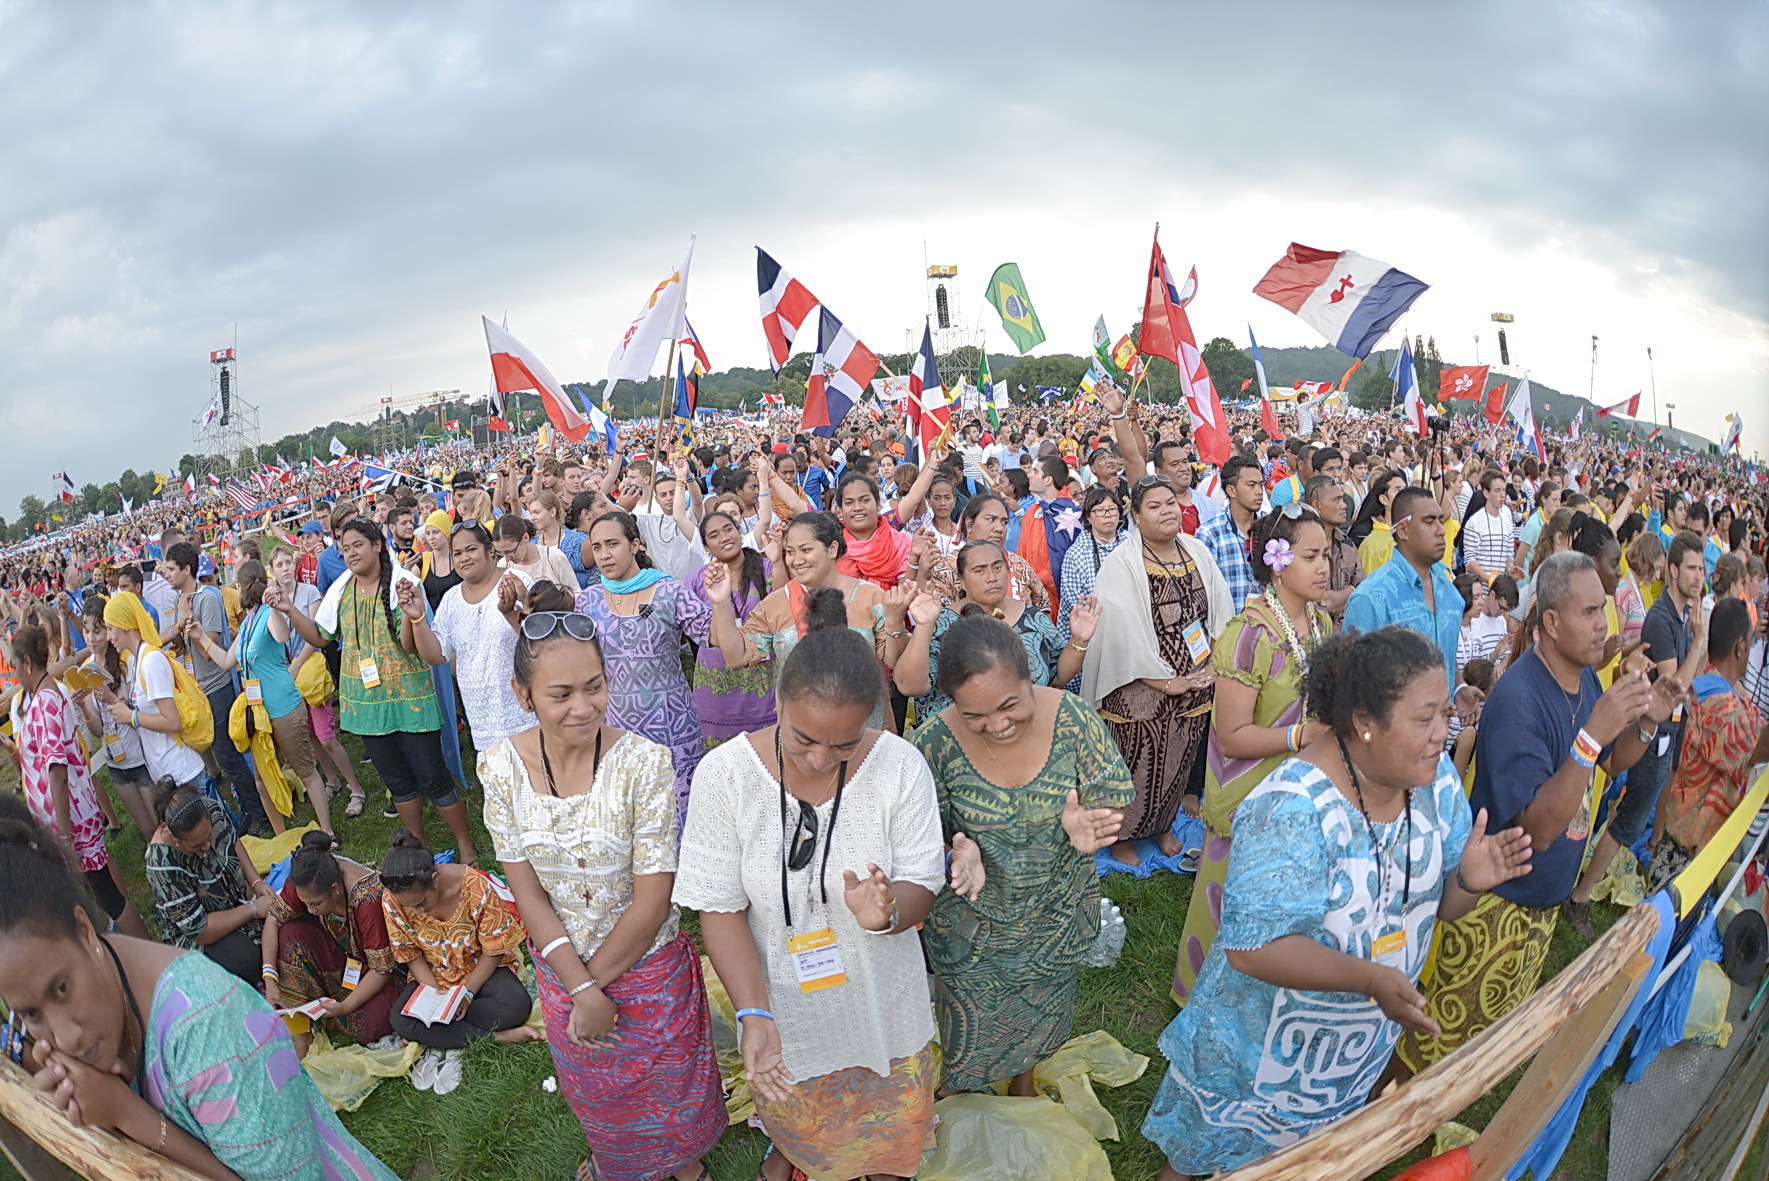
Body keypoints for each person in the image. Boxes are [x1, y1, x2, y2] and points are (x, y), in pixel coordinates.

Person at [1142, 626, 1531, 1178]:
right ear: (1364, 723)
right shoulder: (1291, 807)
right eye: (1424, 719)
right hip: (1254, 1055)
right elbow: (1254, 949)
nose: (1442, 734)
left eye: (1445, 714)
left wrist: (1467, 881)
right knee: (1202, 1161)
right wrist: (1371, 979)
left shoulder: (1435, 779)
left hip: (1346, 1054)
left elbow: (1440, 907)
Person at [674, 605, 954, 1181]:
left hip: (884, 998)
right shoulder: (725, 777)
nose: (821, 759)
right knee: (801, 1114)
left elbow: (922, 884)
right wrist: (753, 1013)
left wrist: (888, 913)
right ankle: (794, 1153)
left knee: (888, 1134)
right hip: (779, 999)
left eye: (844, 745)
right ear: (778, 702)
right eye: (804, 739)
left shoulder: (900, 767)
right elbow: (720, 910)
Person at [0, 794, 397, 1180]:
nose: (66, 1040)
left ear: (86, 931)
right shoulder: (159, 867)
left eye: (61, 989)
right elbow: (210, 927)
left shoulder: (211, 1028)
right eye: (30, 1014)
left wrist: (127, 1116)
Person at [1396, 552, 1677, 1073]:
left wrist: (1645, 722)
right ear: (1550, 621)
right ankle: (1382, 1113)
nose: (1603, 625)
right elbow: (1541, 829)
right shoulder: (1519, 701)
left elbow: (1608, 763)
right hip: (1495, 908)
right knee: (1430, 1048)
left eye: (1602, 610)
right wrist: (1592, 733)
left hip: (1540, 906)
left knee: (1480, 1053)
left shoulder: (1584, 681)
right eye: (1589, 612)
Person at [481, 609, 725, 1181]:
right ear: (523, 696)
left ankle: (685, 1166)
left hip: (647, 968)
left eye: (594, 687)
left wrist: (590, 989)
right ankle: (618, 1158)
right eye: (561, 694)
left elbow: (654, 900)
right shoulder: (499, 769)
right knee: (599, 1092)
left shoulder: (644, 764)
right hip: (563, 968)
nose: (584, 707)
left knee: (669, 1093)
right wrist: (580, 989)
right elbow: (528, 895)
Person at [909, 613, 1129, 1094]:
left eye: (1010, 704)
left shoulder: (1074, 720)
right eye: (975, 715)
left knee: (1043, 1002)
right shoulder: (932, 745)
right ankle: (960, 1087)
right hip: (971, 923)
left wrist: (1089, 824)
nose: (998, 724)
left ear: (1031, 675)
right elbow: (911, 837)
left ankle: (1023, 1080)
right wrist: (955, 851)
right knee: (969, 1015)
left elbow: (1110, 799)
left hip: (1055, 909)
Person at [1173, 503, 1334, 1006]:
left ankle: (1268, 999)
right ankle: (1204, 1004)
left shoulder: (1322, 623)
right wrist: (1300, 737)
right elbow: (1232, 736)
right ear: (1277, 562)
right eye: (1311, 556)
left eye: (1326, 554)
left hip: (1301, 791)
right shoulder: (1249, 634)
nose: (1324, 567)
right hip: (1249, 798)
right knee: (1231, 903)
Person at [277, 518, 480, 865]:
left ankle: (466, 846)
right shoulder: (341, 591)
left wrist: (410, 613)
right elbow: (321, 638)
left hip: (409, 702)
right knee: (399, 784)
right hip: (367, 708)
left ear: (376, 546)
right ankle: (418, 851)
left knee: (434, 779)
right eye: (345, 548)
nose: (350, 553)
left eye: (358, 545)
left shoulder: (403, 584)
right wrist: (290, 610)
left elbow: (411, 647)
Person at [1082, 475, 1232, 866]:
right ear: (1135, 515)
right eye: (1154, 506)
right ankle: (1123, 836)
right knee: (1136, 763)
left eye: (1170, 503)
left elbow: (1219, 609)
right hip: (1139, 687)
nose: (1167, 511)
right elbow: (1120, 636)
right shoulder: (1121, 564)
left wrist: (1211, 664)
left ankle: (1162, 825)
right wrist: (1166, 682)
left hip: (1196, 679)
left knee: (1178, 758)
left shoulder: (1196, 550)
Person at [1563, 530, 1709, 933]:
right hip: (1650, 730)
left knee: (1630, 813)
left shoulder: (1684, 616)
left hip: (1664, 730)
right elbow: (1675, 688)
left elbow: (1692, 679)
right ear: (1673, 570)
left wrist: (1698, 642)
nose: (1699, 577)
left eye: (1702, 569)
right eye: (1692, 569)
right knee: (1630, 818)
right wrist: (1699, 641)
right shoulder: (1661, 620)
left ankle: (1582, 881)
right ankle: (1579, 897)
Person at [2, 624, 149, 937]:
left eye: (14, 665)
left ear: (27, 662)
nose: (14, 674)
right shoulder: (42, 695)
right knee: (102, 892)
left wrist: (65, 838)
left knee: (108, 896)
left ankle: (148, 948)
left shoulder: (45, 701)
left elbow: (57, 771)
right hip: (70, 818)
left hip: (72, 823)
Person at [704, 511, 912, 732]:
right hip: (802, 738)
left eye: (806, 550)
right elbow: (737, 657)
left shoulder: (870, 596)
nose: (796, 560)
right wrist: (721, 602)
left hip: (866, 731)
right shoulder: (776, 604)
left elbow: (893, 659)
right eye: (790, 552)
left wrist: (895, 622)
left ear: (832, 549)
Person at [571, 511, 712, 822]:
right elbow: (576, 665)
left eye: (612, 544)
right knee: (631, 821)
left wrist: (723, 601)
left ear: (635, 545)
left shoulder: (670, 592)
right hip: (617, 729)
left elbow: (713, 636)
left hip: (673, 729)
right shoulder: (588, 601)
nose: (604, 555)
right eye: (597, 547)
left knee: (678, 819)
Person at [381, 832, 540, 1094]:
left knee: (515, 1005)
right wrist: (437, 996)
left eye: (422, 902)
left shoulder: (474, 885)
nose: (418, 912)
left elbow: (493, 950)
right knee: (400, 1020)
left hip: (481, 969)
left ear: (435, 878)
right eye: (411, 907)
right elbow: (411, 953)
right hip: (433, 975)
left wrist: (466, 994)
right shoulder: (392, 898)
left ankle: (443, 1036)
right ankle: (497, 1037)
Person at [185, 559, 332, 835]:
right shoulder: (248, 622)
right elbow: (227, 661)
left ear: (242, 588)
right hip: (258, 713)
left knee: (305, 771)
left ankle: (328, 832)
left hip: (283, 707)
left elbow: (282, 635)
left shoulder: (266, 614)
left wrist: (276, 608)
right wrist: (200, 637)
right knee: (262, 780)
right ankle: (281, 837)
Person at [893, 541, 1094, 717]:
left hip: (1023, 731)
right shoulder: (940, 622)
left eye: (997, 567)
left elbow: (1059, 675)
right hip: (958, 737)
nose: (992, 577)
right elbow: (910, 686)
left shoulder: (1032, 617)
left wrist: (1079, 641)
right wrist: (924, 625)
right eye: (979, 571)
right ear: (962, 580)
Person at [1655, 597, 1769, 880]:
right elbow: (1758, 747)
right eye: (1750, 643)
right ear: (1740, 647)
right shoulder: (1718, 703)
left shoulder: (1725, 691)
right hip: (1685, 862)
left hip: (1695, 853)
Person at [260, 831, 401, 1057]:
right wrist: (270, 979)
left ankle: (325, 1007)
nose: (310, 910)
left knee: (375, 1023)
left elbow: (381, 970)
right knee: (289, 934)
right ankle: (302, 1030)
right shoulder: (305, 881)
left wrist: (346, 1007)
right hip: (343, 958)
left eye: (315, 904)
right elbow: (273, 920)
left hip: (375, 971)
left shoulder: (366, 899)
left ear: (335, 889)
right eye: (306, 903)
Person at [144, 780, 275, 984]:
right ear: (177, 839)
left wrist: (256, 881)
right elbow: (199, 930)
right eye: (196, 846)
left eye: (209, 836)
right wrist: (253, 909)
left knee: (279, 925)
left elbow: (233, 841)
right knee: (247, 961)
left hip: (237, 904)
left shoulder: (210, 809)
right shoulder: (161, 865)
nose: (207, 846)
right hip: (200, 936)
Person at [271, 544, 365, 816]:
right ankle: (332, 779)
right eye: (279, 565)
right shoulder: (273, 600)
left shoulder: (309, 592)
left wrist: (296, 665)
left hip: (311, 673)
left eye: (288, 562)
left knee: (326, 737)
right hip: (290, 678)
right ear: (272, 571)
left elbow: (315, 634)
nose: (286, 568)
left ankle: (355, 787)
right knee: (310, 735)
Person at [427, 521, 533, 751]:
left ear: (490, 550)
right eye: (457, 553)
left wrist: (517, 611)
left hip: (526, 713)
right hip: (481, 719)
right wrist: (415, 619)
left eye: (471, 549)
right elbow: (436, 655)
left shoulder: (517, 582)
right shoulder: (451, 600)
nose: (464, 558)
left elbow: (540, 640)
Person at [1344, 487, 1462, 690]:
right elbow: (1352, 682)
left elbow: (1446, 651)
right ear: (1403, 530)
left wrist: (1460, 688)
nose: (1441, 530)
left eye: (1440, 521)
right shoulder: (1371, 598)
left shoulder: (1448, 587)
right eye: (1429, 522)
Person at [684, 509, 778, 746]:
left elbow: (782, 606)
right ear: (705, 547)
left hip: (763, 682)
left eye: (728, 529)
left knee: (767, 753)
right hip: (716, 689)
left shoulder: (767, 567)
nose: (724, 537)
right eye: (714, 535)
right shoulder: (697, 580)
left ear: (739, 532)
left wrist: (779, 563)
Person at [921, 492, 1051, 616]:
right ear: (969, 525)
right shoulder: (946, 570)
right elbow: (941, 620)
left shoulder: (1018, 564)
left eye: (1004, 522)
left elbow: (1043, 608)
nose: (999, 528)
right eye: (991, 519)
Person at [1196, 455, 1264, 614]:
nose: (1259, 491)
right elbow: (1202, 593)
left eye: (1261, 484)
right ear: (1231, 490)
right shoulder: (1210, 534)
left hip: (1267, 625)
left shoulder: (1271, 529)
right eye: (1251, 485)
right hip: (1227, 626)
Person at [1305, 473, 1361, 623]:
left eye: (1342, 499)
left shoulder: (1347, 545)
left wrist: (1341, 597)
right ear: (1316, 506)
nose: (1344, 505)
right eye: (1336, 500)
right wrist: (1351, 591)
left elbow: (1363, 592)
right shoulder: (1302, 548)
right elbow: (1322, 605)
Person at [493, 512, 581, 589]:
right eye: (501, 553)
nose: (507, 558)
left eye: (510, 551)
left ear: (525, 538)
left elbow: (576, 593)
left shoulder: (554, 557)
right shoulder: (503, 565)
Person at [528, 488, 593, 589]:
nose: (532, 518)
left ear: (552, 512)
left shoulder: (577, 541)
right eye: (531, 513)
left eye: (537, 512)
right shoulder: (532, 545)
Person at [1461, 470, 1516, 581]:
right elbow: (1470, 561)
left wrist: (1511, 570)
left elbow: (1509, 556)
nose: (1502, 495)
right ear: (1486, 493)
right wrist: (1489, 580)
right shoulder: (1474, 522)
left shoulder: (1507, 522)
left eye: (1504, 490)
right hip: (1480, 587)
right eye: (1497, 490)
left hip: (1500, 587)